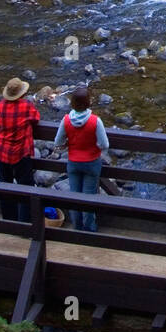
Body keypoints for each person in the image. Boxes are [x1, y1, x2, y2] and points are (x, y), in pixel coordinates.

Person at [53, 87, 109, 232]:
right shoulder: (95, 121)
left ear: (72, 103)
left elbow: (57, 142)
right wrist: (94, 146)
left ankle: (77, 227)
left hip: (73, 162)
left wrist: (67, 144)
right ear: (88, 103)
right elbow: (104, 144)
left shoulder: (66, 120)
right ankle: (89, 229)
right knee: (88, 198)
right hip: (91, 162)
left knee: (75, 196)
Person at [0, 77, 40, 222]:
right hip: (21, 153)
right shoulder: (26, 106)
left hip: (2, 152)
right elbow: (36, 118)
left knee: (5, 187)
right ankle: (25, 222)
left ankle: (9, 220)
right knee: (26, 188)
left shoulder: (2, 105)